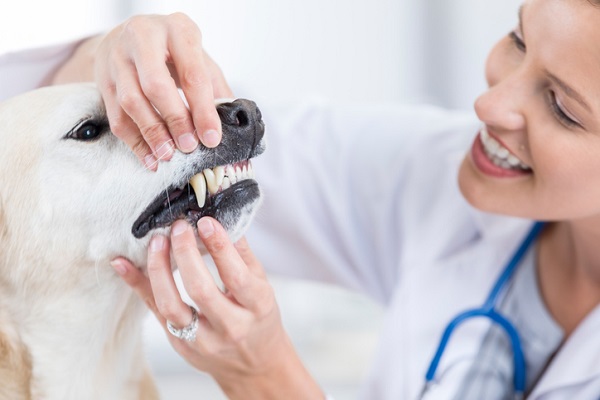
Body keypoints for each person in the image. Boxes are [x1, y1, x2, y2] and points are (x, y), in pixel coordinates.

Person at [3, 0, 600, 399]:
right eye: (518, 40)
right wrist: (116, 58)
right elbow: (233, 145)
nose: (488, 107)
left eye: (563, 109)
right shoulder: (436, 172)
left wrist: (267, 379)